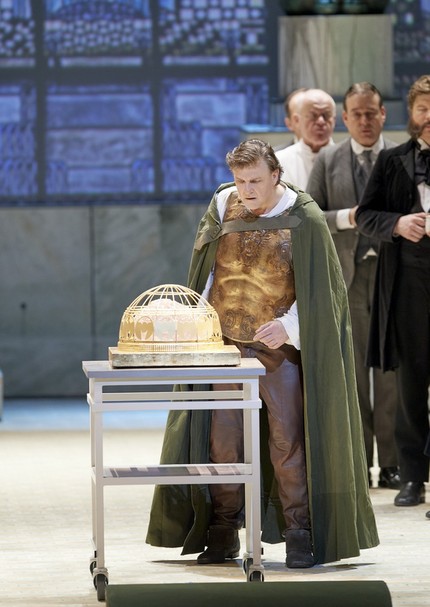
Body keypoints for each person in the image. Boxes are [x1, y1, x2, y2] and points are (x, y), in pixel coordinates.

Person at [146, 139, 378, 568]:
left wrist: (289, 326)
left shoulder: (304, 215)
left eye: (255, 180)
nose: (247, 190)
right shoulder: (223, 204)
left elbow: (322, 288)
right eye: (240, 181)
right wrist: (198, 322)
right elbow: (209, 271)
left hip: (278, 348)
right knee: (222, 441)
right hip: (225, 347)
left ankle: (298, 532)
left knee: (287, 440)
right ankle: (223, 529)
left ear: (276, 175)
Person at [307, 82, 400, 490]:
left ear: (383, 114)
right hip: (347, 278)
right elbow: (309, 216)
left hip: (393, 278)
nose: (364, 121)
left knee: (391, 373)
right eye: (356, 114)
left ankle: (393, 463)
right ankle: (359, 462)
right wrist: (347, 217)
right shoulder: (328, 160)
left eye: (371, 113)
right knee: (354, 374)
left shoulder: (401, 158)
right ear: (345, 118)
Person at [355, 75, 430, 507]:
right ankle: (413, 477)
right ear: (411, 114)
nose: (429, 116)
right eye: (423, 109)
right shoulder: (391, 160)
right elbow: (366, 215)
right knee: (410, 383)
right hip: (407, 284)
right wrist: (397, 224)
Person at [276, 88, 336, 189]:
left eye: (326, 115)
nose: (321, 121)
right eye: (313, 115)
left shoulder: (349, 159)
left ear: (334, 119)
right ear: (297, 120)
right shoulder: (279, 161)